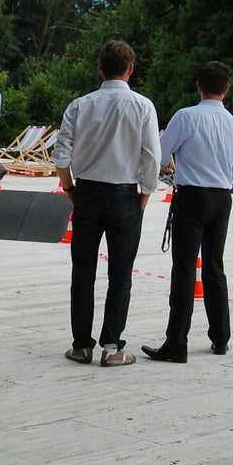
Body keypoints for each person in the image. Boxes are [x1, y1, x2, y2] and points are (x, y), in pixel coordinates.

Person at [52, 40, 161, 368]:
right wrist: (146, 193)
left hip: (86, 193)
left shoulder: (80, 105)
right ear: (131, 69)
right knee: (121, 274)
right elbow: (152, 156)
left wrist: (69, 187)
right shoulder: (143, 106)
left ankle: (81, 345)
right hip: (126, 196)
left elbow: (60, 154)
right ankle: (112, 347)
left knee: (83, 271)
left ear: (99, 68)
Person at [141, 61, 233, 363]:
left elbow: (159, 154)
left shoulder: (187, 117)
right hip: (222, 198)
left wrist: (172, 163)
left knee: (185, 269)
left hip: (192, 196)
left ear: (198, 85)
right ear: (226, 89)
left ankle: (177, 341)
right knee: (214, 266)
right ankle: (220, 336)